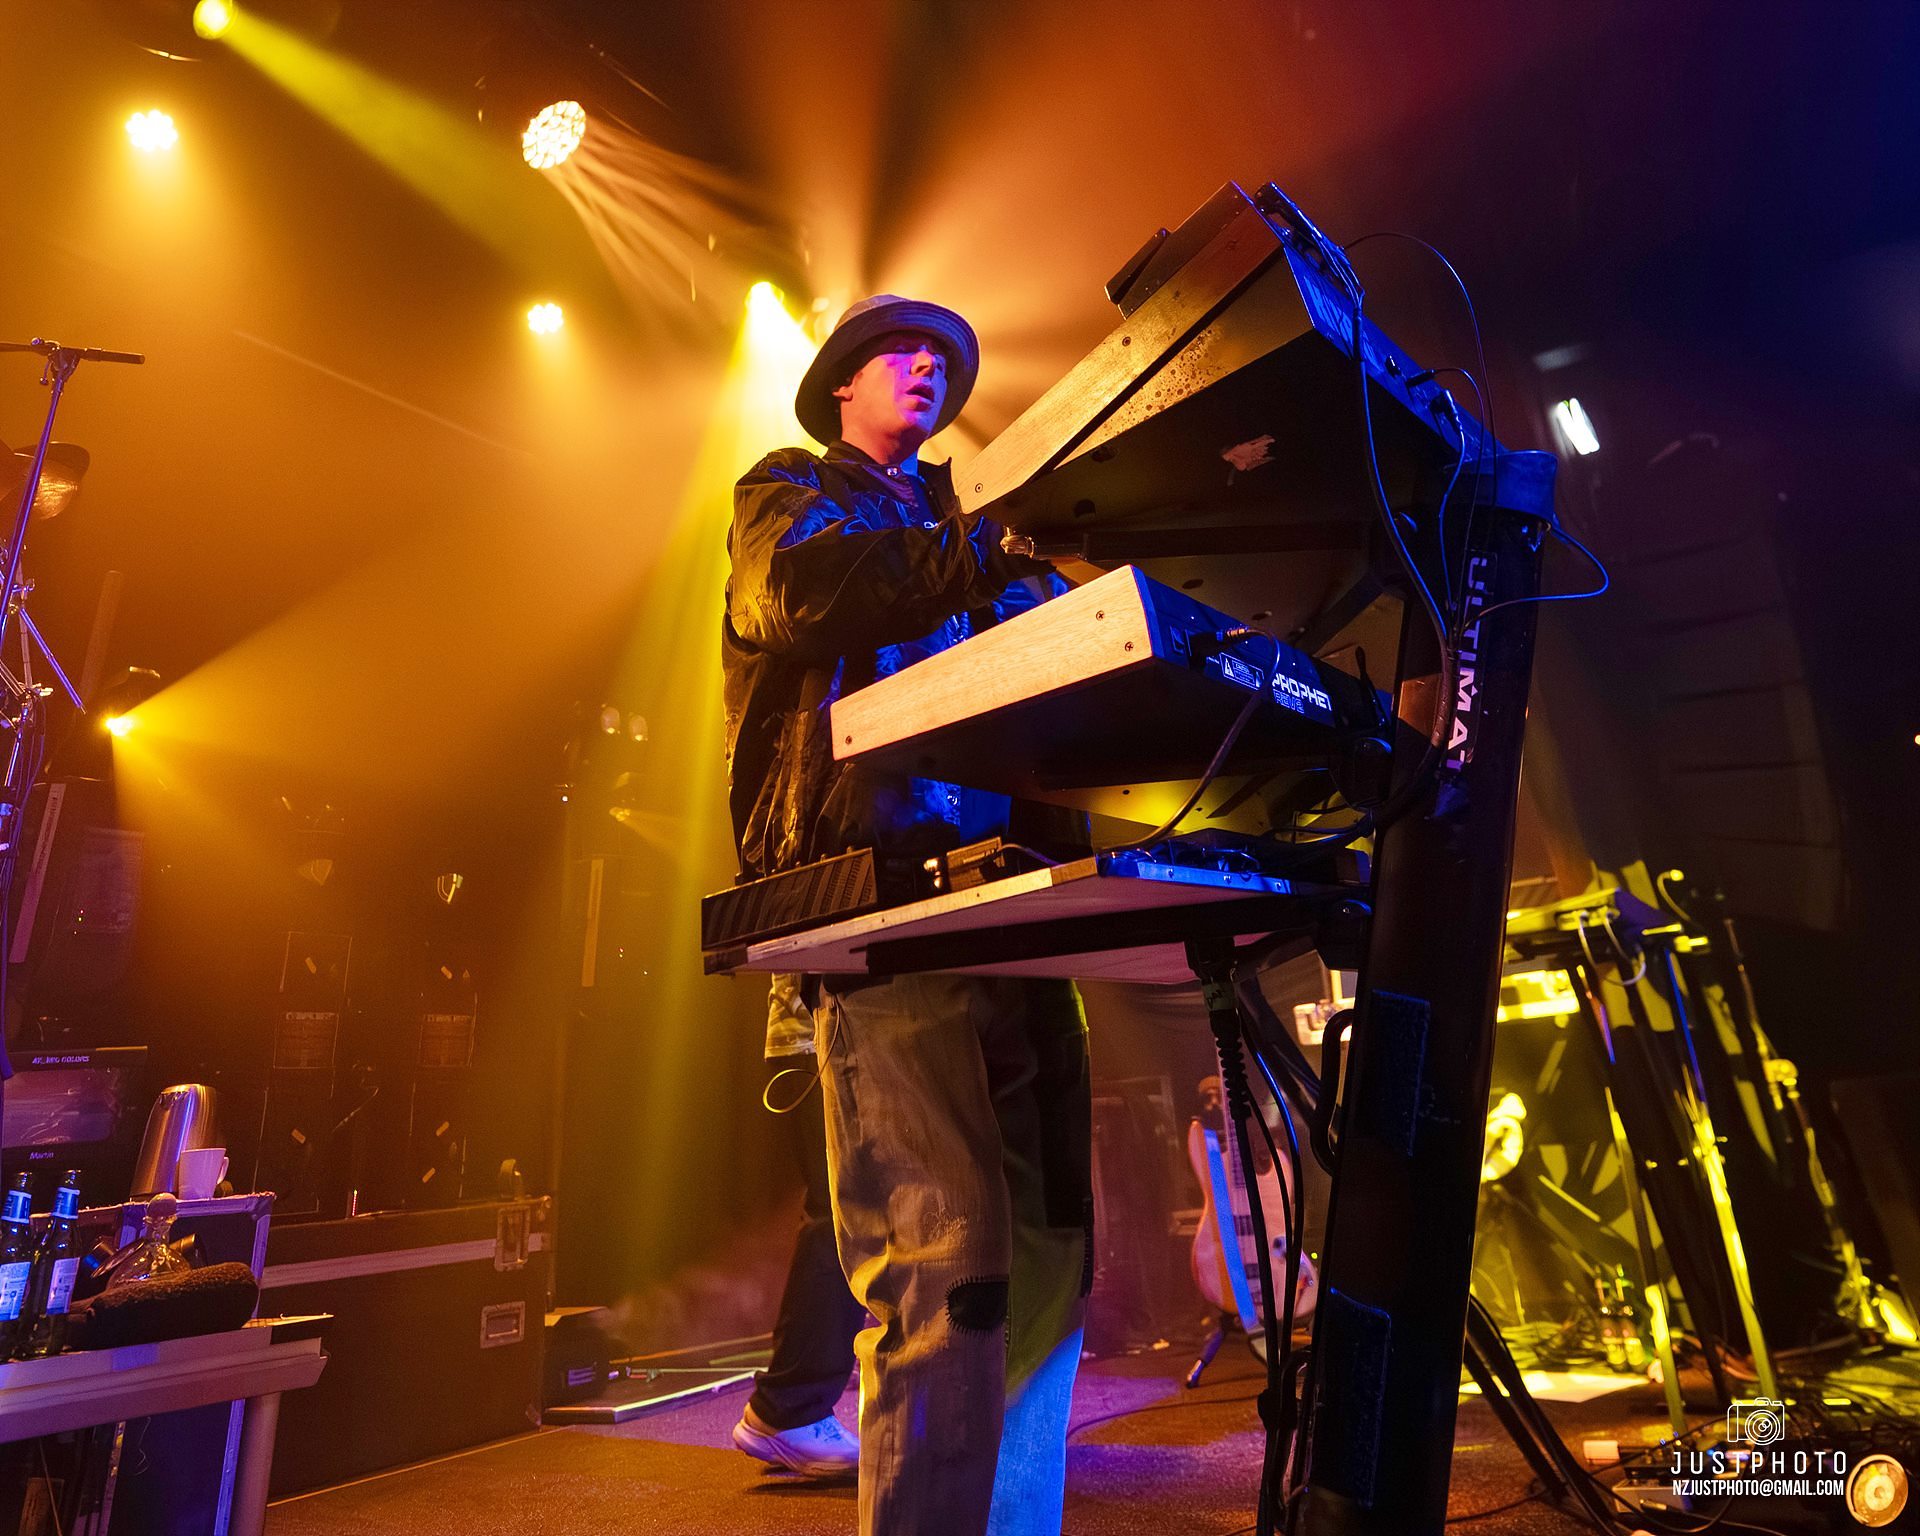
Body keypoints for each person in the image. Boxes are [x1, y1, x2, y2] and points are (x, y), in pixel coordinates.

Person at [722, 294, 1092, 1535]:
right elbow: (802, 596)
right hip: (881, 898)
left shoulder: (963, 523)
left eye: (946, 357)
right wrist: (987, 546)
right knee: (941, 1256)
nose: (929, 366)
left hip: (1014, 898)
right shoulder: (788, 492)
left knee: (1045, 1251)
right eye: (902, 350)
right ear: (841, 381)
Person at [730, 975, 864, 1478]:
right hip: (822, 1035)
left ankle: (792, 1405)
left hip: (825, 1033)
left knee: (844, 1210)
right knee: (842, 1212)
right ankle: (789, 1407)